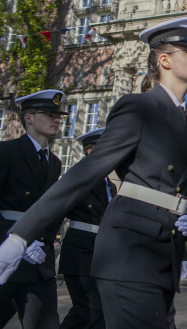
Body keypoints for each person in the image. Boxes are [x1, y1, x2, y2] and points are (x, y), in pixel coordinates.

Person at [0, 16, 187, 328]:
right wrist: (19, 237)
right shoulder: (138, 108)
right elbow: (82, 176)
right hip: (129, 253)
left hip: (163, 253)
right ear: (165, 60)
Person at [0, 89, 68, 328]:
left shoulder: (55, 162)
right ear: (28, 117)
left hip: (39, 258)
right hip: (6, 253)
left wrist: (42, 241)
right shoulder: (6, 152)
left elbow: (52, 209)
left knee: (45, 323)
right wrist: (16, 240)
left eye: (58, 115)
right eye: (48, 114)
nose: (56, 119)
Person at [59, 127, 116, 329]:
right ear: (90, 151)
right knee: (92, 312)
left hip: (100, 255)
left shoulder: (110, 185)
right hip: (80, 252)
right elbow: (55, 210)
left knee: (84, 312)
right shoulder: (78, 177)